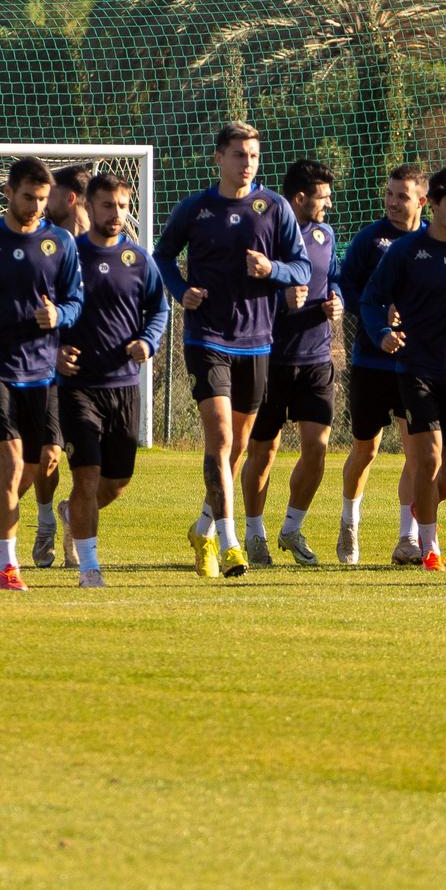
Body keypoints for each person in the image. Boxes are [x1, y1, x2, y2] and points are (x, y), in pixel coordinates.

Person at [154, 122, 310, 580]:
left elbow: (300, 266)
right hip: (207, 338)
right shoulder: (196, 209)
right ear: (218, 157)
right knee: (220, 442)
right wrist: (181, 291)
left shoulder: (274, 208)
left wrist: (272, 268)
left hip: (258, 342)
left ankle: (202, 528)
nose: (247, 164)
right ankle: (230, 543)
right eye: (239, 155)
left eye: (254, 156)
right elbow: (163, 256)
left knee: (237, 449)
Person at [359, 168, 446, 572]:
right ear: (433, 204)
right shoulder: (406, 251)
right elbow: (371, 299)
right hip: (415, 365)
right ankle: (428, 546)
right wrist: (383, 333)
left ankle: (413, 523)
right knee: (429, 459)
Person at [0, 158, 84, 591]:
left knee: (46, 460)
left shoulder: (61, 243)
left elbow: (75, 301)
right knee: (10, 462)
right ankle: (8, 568)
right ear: (8, 193)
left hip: (42, 373)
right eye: (28, 197)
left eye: (43, 199)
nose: (35, 206)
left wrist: (58, 314)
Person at [53, 171, 168, 587]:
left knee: (116, 483)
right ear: (86, 205)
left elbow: (159, 310)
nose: (116, 214)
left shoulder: (138, 260)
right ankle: (89, 567)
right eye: (107, 205)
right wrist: (53, 351)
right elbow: (40, 308)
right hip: (77, 386)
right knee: (86, 475)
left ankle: (71, 514)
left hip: (124, 386)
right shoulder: (66, 255)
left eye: (122, 206)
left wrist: (148, 341)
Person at [239, 160, 341, 567]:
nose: (328, 205)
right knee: (263, 452)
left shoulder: (325, 233)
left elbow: (333, 275)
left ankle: (292, 528)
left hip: (316, 357)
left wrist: (336, 298)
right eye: (323, 197)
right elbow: (244, 291)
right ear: (300, 198)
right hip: (271, 357)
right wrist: (280, 301)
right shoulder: (268, 234)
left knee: (318, 448)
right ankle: (254, 533)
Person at [335, 164, 427, 565]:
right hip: (370, 362)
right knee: (365, 450)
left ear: (422, 201)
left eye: (402, 196)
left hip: (415, 365)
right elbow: (345, 286)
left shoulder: (433, 243)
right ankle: (349, 523)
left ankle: (407, 539)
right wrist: (376, 316)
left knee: (415, 453)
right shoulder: (370, 240)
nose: (392, 202)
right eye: (389, 194)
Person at [27, 162, 92, 564]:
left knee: (102, 471)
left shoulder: (108, 243)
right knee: (48, 454)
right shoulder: (42, 243)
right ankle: (47, 522)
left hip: (98, 369)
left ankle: (72, 511)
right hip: (48, 364)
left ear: (68, 198)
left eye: (47, 195)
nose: (40, 204)